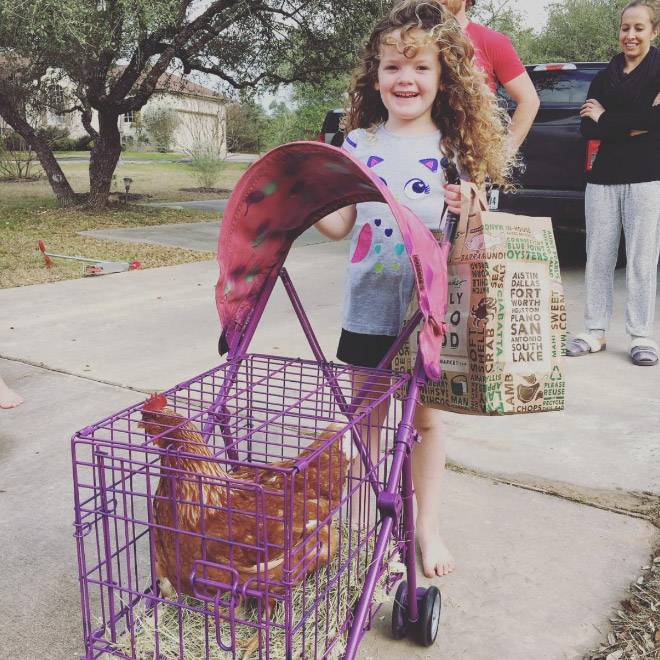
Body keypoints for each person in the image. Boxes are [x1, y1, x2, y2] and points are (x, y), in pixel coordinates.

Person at [315, 0, 513, 577]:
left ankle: (426, 528)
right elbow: (337, 226)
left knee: (423, 422)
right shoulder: (355, 143)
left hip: (427, 312)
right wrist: (307, 195)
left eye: (420, 67)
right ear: (374, 76)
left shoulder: (454, 151)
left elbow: (473, 237)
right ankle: (365, 524)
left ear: (443, 75)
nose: (406, 79)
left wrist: (469, 204)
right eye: (393, 67)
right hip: (369, 306)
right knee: (368, 419)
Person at [567, 0, 660, 366]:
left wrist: (608, 116)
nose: (630, 35)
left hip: (647, 176)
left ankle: (641, 336)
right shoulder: (605, 75)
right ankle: (594, 331)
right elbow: (587, 126)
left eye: (639, 28)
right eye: (625, 28)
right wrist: (636, 122)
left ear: (653, 31)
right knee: (599, 255)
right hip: (603, 178)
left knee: (641, 258)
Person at [438, 0, 539, 152]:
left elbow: (529, 101)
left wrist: (502, 155)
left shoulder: (492, 41)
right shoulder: (411, 41)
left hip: (472, 159)